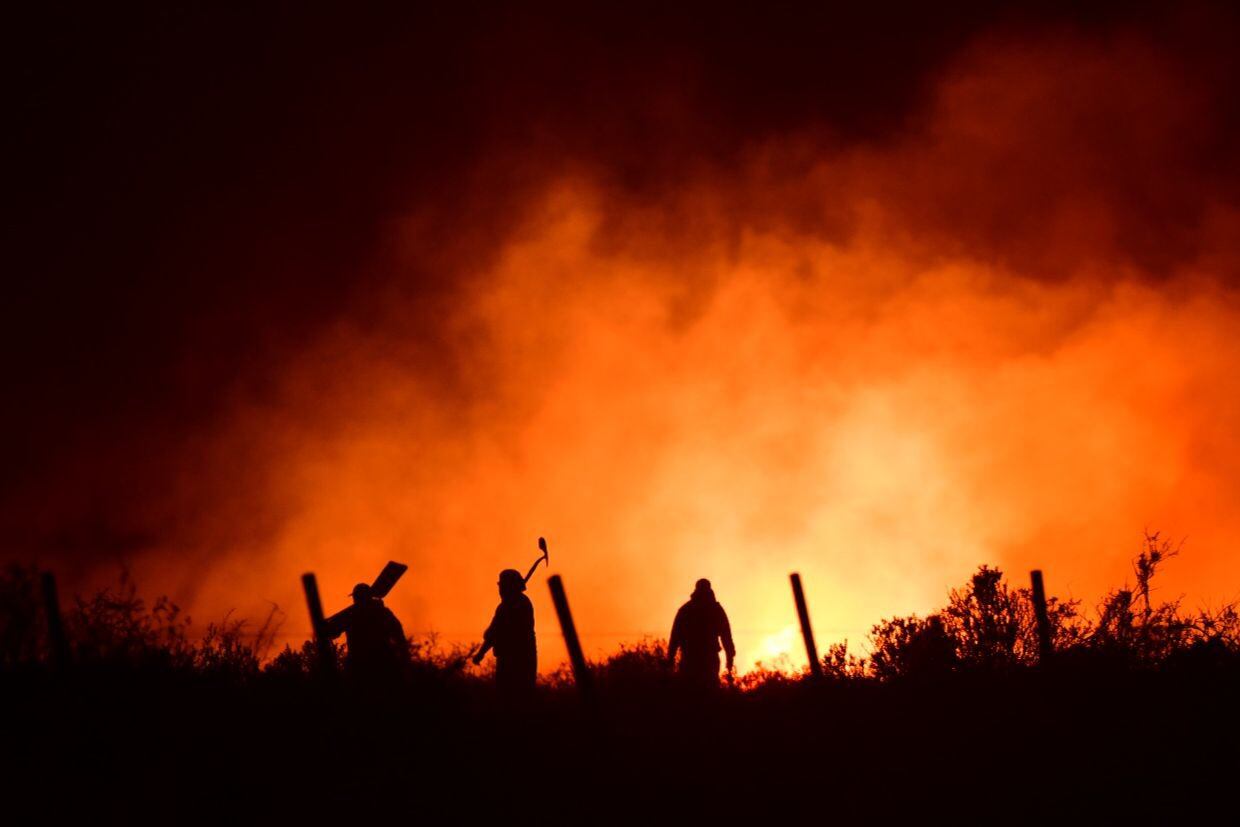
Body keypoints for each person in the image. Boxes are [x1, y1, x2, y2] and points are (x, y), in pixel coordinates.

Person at [473, 569, 537, 697]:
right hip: (506, 659)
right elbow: (493, 633)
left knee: (520, 698)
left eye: (503, 586)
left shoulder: (521, 604)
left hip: (521, 660)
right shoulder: (504, 607)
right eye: (500, 586)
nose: (500, 589)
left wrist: (482, 651)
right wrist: (481, 652)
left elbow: (501, 632)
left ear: (510, 586)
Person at [325, 582, 407, 681]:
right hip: (384, 661)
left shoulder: (350, 615)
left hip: (360, 665)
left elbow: (331, 632)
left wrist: (326, 625)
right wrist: (403, 655)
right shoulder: (383, 612)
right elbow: (398, 633)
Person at [668, 578, 735, 687]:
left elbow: (675, 637)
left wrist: (670, 658)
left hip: (690, 659)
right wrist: (730, 660)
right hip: (706, 659)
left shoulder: (685, 610)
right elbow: (726, 637)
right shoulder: (716, 610)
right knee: (709, 694)